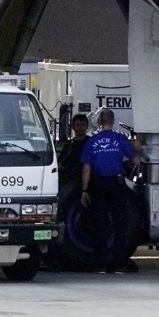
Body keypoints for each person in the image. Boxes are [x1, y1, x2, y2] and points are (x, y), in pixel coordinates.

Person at [80, 109, 138, 274]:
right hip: (117, 183)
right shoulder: (120, 139)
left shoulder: (92, 141)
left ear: (99, 121)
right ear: (112, 121)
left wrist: (84, 190)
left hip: (98, 184)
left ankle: (100, 265)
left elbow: (86, 168)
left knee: (100, 223)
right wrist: (138, 150)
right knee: (120, 224)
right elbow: (135, 159)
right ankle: (119, 264)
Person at [58, 113, 91, 188]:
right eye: (78, 125)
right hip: (71, 182)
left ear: (87, 126)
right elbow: (61, 163)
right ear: (73, 127)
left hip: (89, 181)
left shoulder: (92, 143)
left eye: (83, 124)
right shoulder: (69, 145)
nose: (80, 128)